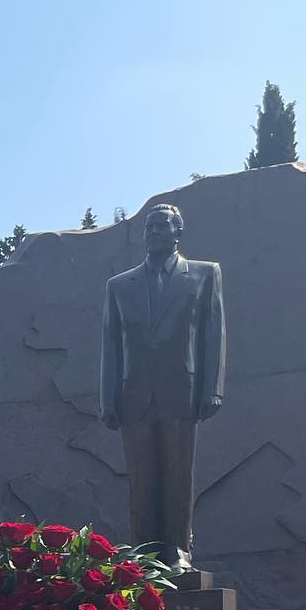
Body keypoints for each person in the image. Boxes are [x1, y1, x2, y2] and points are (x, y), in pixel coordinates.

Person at [99, 202, 226, 571]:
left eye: (161, 225)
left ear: (177, 232)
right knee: (141, 479)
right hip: (133, 395)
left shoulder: (204, 274)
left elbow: (213, 335)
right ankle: (144, 553)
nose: (153, 232)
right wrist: (108, 399)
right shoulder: (118, 286)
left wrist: (212, 388)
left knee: (178, 475)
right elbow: (111, 345)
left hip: (181, 392)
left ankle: (179, 550)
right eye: (149, 227)